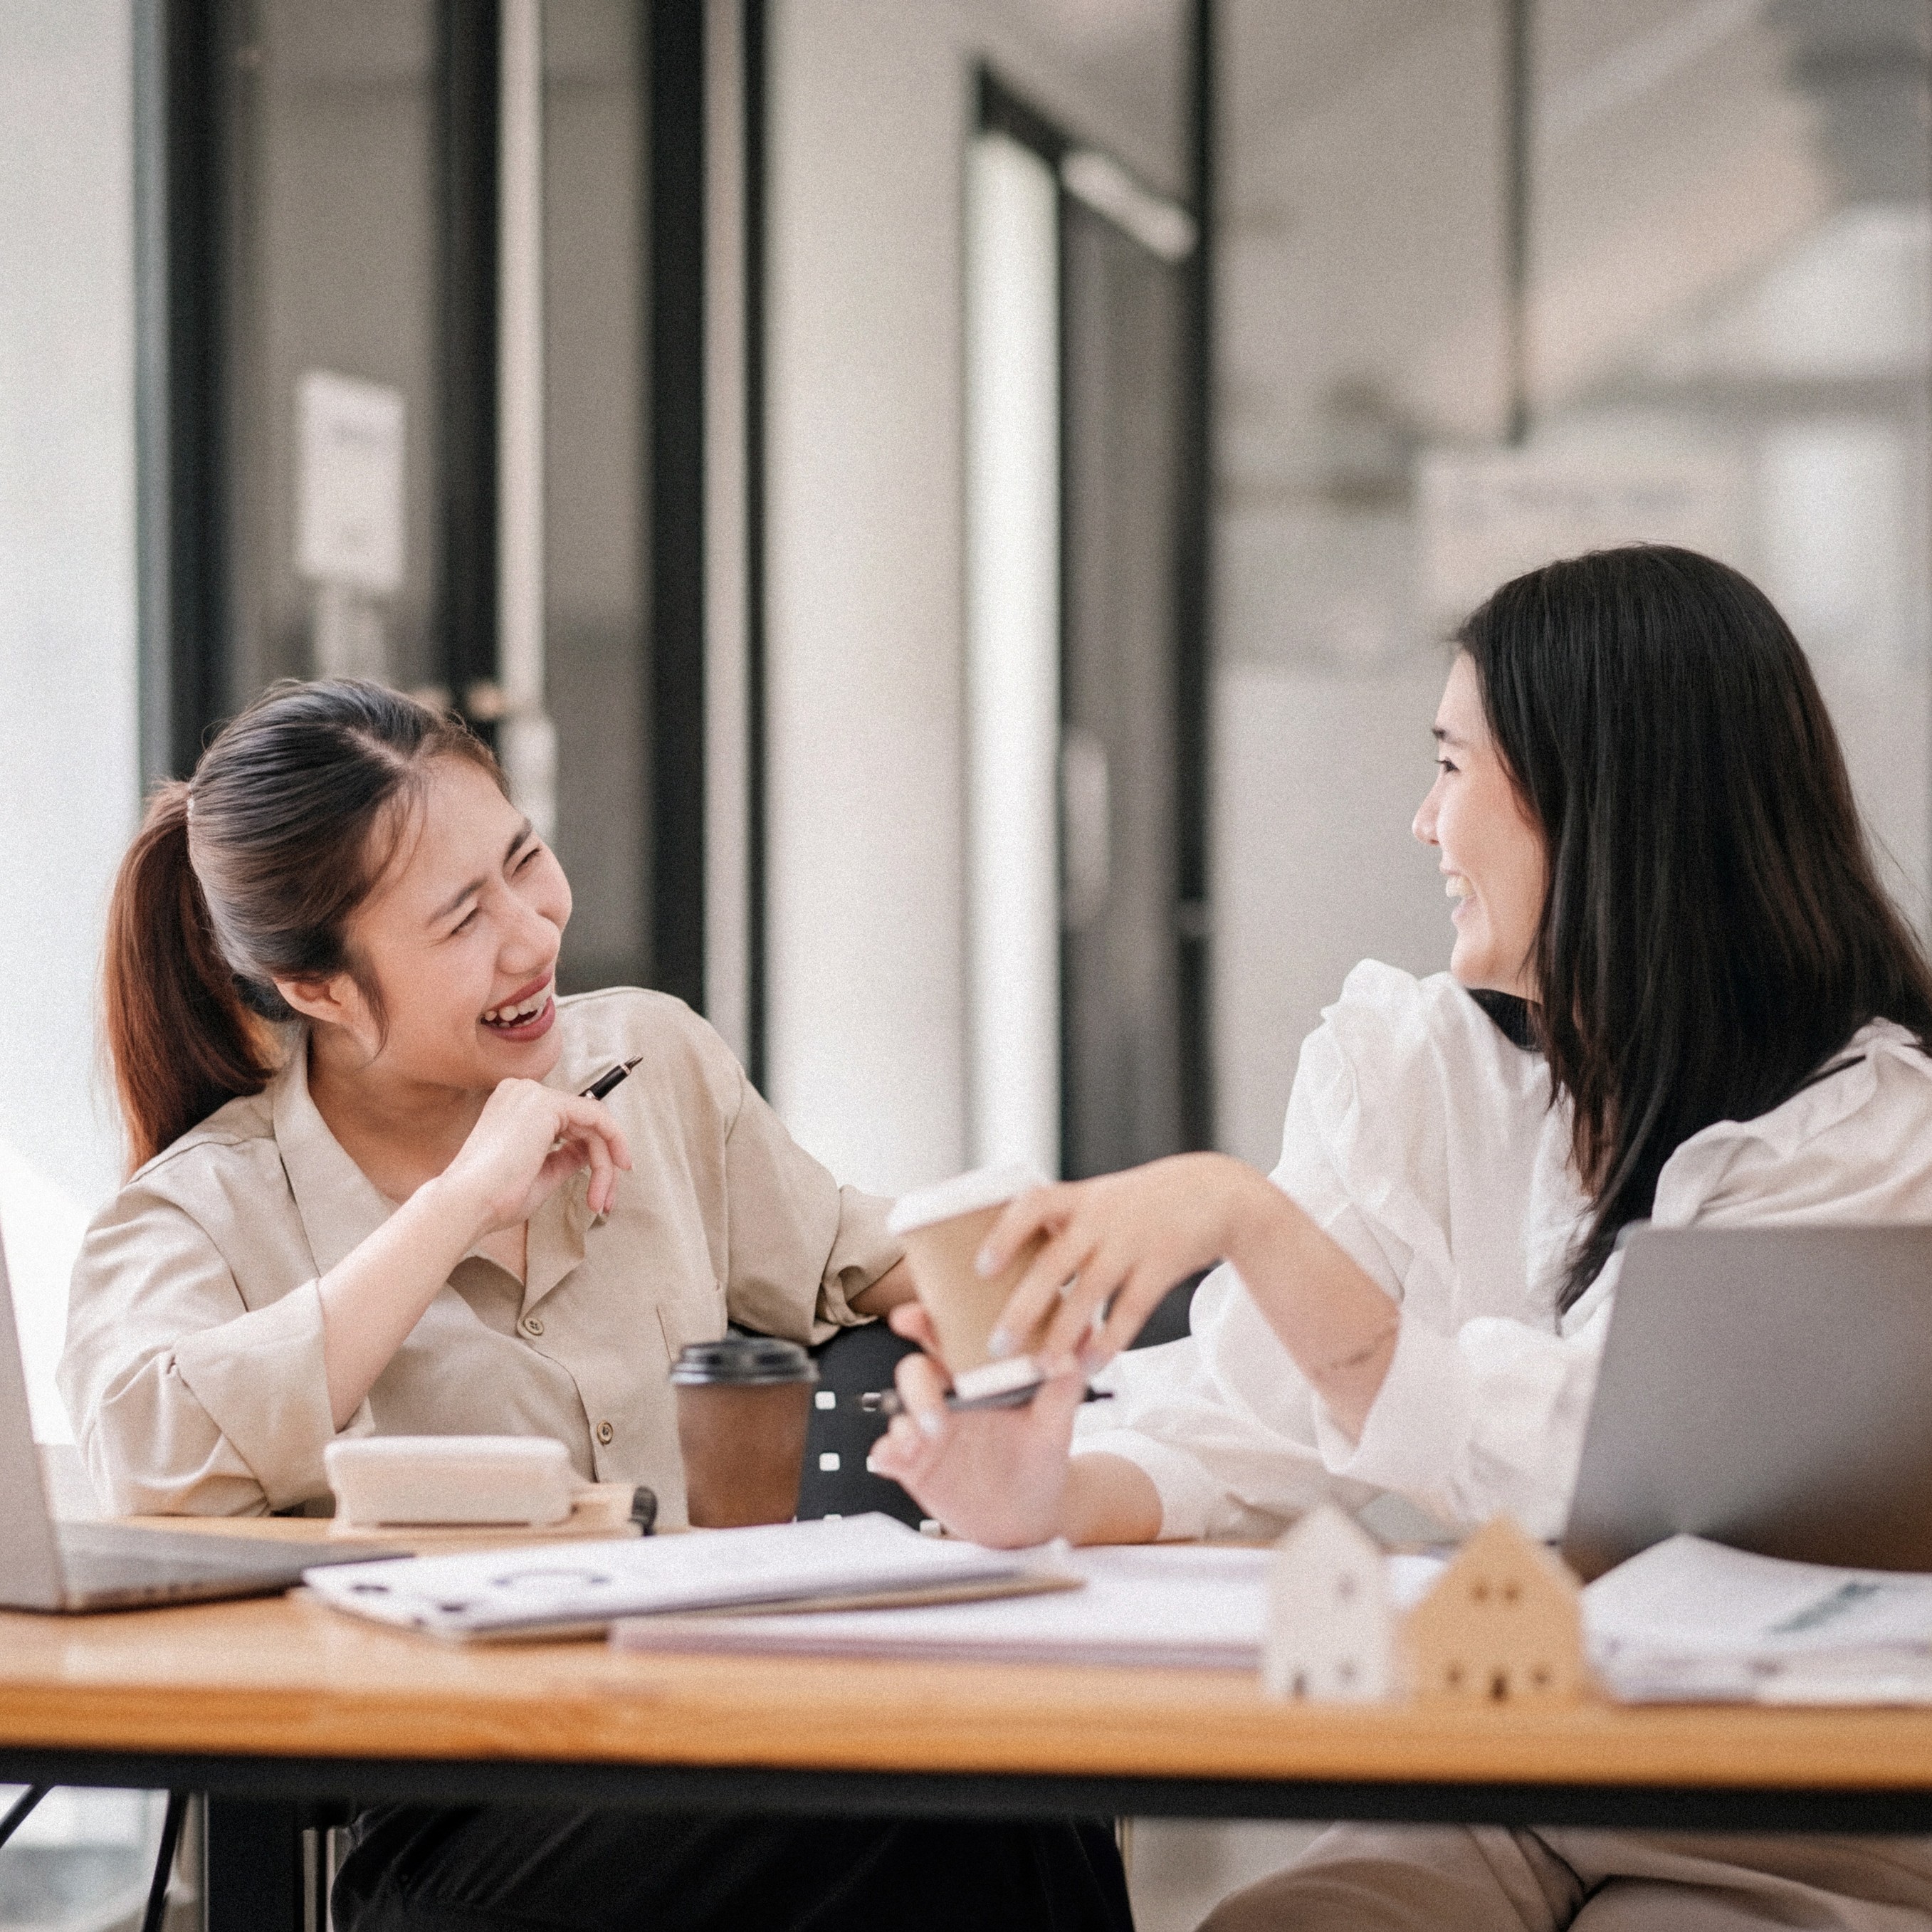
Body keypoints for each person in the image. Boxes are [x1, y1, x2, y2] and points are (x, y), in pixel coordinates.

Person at [874, 545, 1932, 1930]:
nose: (1419, 824)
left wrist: (1245, 1216)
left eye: (1450, 766)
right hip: (1497, 1775)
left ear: (1598, 801)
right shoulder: (1415, 1064)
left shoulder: (1868, 1127)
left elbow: (1610, 1466)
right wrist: (1052, 1491)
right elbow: (1251, 1428)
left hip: (1789, 1806)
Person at [61, 678, 1130, 1932]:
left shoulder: (652, 1062)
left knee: (1025, 1770)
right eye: (463, 918)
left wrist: (1071, 1266)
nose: (532, 933)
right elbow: (151, 1457)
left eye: (525, 860)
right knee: (915, 1795)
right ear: (320, 991)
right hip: (456, 1813)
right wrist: (459, 1199)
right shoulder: (204, 1210)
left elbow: (852, 1255)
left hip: (704, 1720)